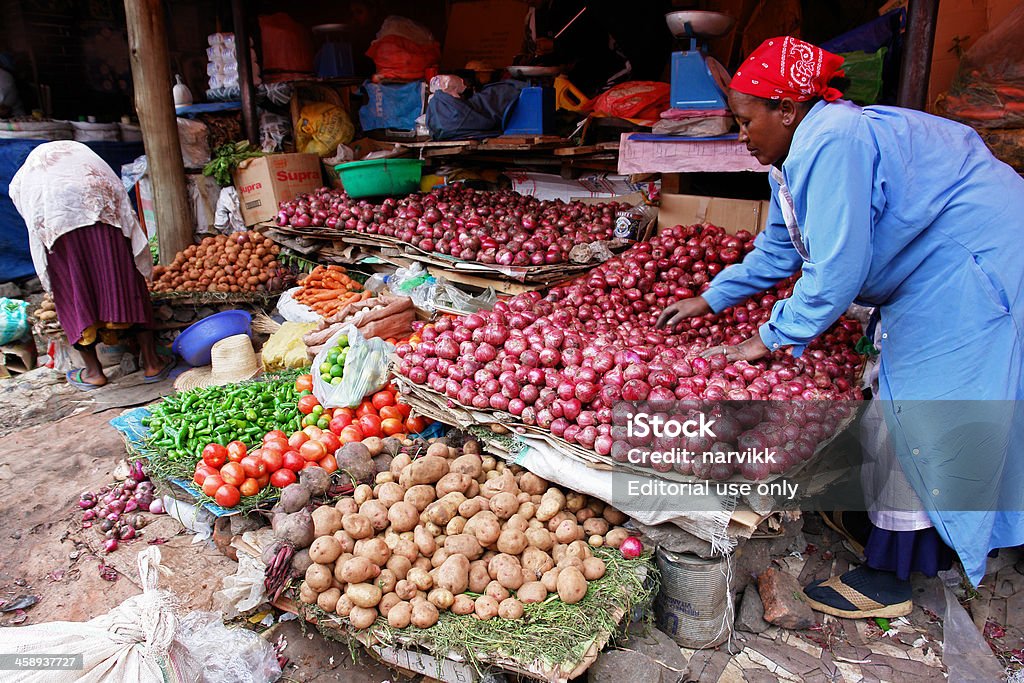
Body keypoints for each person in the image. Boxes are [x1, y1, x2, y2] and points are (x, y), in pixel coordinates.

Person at [656, 36, 1024, 618]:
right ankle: (902, 528)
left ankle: (892, 573)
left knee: (914, 399)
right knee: (901, 390)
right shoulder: (792, 157)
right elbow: (782, 250)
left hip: (972, 257)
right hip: (939, 259)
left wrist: (769, 338)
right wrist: (711, 298)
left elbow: (837, 271)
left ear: (787, 110)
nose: (741, 135)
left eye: (746, 121)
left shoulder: (833, 139)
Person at [10, 141, 174, 389]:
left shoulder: (32, 178)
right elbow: (122, 204)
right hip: (103, 214)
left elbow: (33, 218)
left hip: (60, 231)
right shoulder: (87, 162)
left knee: (74, 294)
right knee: (128, 282)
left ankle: (94, 372)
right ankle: (152, 363)